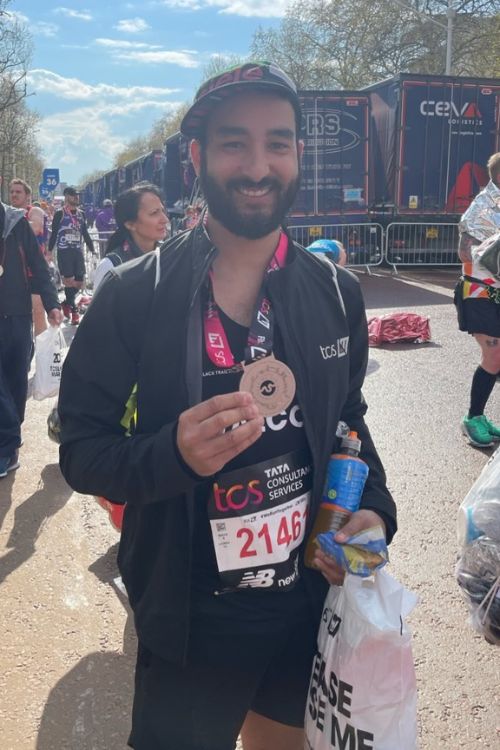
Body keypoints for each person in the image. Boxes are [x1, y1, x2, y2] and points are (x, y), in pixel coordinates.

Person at [58, 61, 396, 750]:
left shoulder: (335, 292)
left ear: (298, 154)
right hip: (192, 621)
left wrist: (375, 507)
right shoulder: (133, 294)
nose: (257, 165)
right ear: (197, 157)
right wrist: (169, 456)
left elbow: (347, 423)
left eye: (277, 142)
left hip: (303, 602)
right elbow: (82, 451)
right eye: (234, 142)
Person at [0, 198, 63, 477]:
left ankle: (9, 445)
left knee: (15, 381)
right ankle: (7, 445)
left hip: (16, 315)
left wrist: (51, 303)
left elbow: (38, 265)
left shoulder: (16, 222)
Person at [457, 152, 500, 447]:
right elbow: (463, 253)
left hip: (494, 294)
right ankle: (472, 417)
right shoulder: (480, 209)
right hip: (478, 292)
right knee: (494, 354)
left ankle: (480, 416)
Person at [92, 184, 169, 292]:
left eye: (163, 211)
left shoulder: (169, 255)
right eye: (154, 213)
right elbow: (100, 308)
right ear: (130, 224)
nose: (164, 219)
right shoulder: (111, 267)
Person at [47, 186, 95, 326]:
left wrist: (92, 249)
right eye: (74, 195)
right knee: (68, 281)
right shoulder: (59, 213)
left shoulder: (81, 214)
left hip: (77, 252)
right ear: (67, 196)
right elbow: (54, 234)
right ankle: (74, 311)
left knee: (79, 282)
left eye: (77, 195)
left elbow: (85, 233)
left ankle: (66, 303)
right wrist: (49, 252)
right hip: (64, 251)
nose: (76, 197)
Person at [9, 178, 50, 336]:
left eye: (18, 192)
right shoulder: (8, 214)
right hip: (14, 272)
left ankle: (42, 352)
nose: (14, 195)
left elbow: (36, 227)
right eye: (12, 191)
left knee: (38, 312)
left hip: (34, 271)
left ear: (27, 195)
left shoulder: (34, 211)